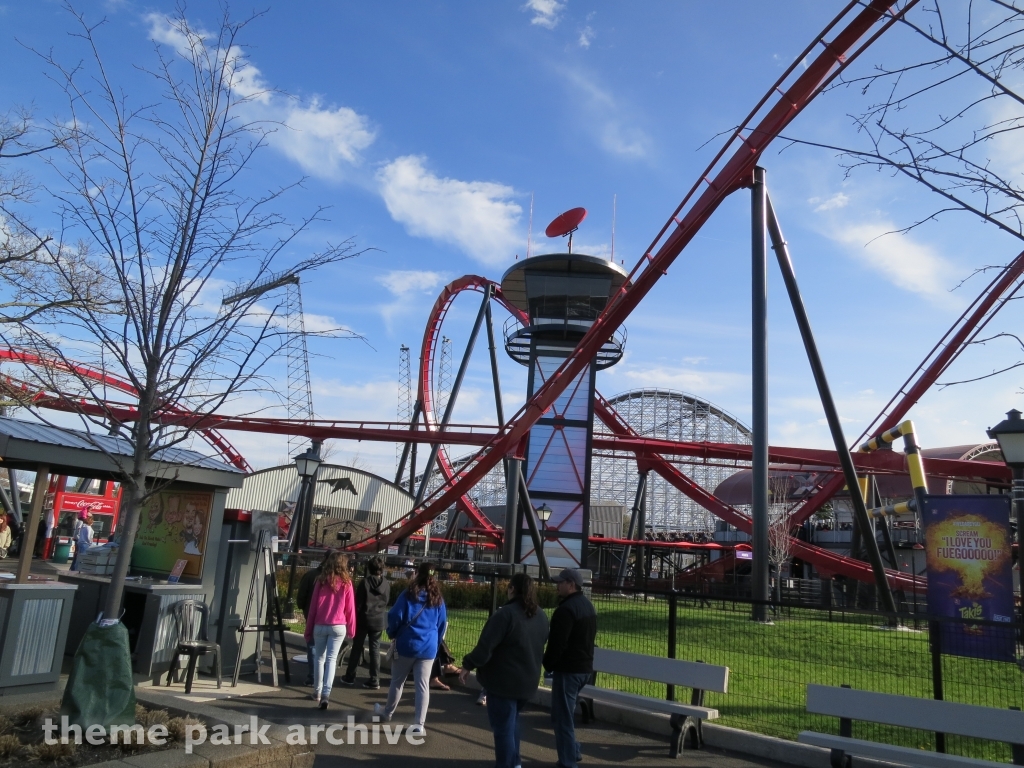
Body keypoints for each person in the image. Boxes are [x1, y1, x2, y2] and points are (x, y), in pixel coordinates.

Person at [459, 573, 549, 768]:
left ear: (512, 589)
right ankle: (515, 762)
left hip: (503, 682)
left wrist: (467, 664)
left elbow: (485, 647)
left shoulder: (505, 615)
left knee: (503, 730)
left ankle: (507, 764)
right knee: (512, 723)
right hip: (528, 680)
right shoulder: (541, 615)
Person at [374, 562, 447, 732]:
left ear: (417, 573)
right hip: (428, 647)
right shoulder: (438, 599)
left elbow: (394, 616)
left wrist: (392, 632)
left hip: (407, 644)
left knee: (397, 682)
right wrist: (435, 644)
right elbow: (441, 624)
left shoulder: (408, 594)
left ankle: (387, 713)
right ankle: (419, 724)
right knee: (422, 685)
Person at [543, 568, 597, 768]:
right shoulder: (588, 606)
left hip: (568, 670)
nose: (557, 585)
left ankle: (568, 762)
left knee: (562, 719)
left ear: (571, 584)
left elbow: (557, 643)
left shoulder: (565, 610)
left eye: (560, 582)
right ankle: (572, 751)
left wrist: (548, 664)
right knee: (565, 714)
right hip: (584, 669)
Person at [304, 550, 356, 710]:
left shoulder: (320, 581)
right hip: (338, 625)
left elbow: (312, 608)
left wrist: (308, 628)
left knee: (319, 658)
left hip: (320, 624)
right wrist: (352, 628)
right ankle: (326, 694)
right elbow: (350, 609)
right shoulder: (347, 583)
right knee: (331, 660)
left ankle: (317, 692)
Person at [340, 556, 390, 689]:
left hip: (363, 619)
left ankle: (350, 676)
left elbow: (358, 604)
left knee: (357, 647)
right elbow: (387, 601)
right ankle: (374, 679)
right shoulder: (386, 584)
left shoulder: (365, 583)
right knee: (375, 649)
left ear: (369, 568)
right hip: (378, 619)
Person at [295, 558, 325, 686]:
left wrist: (304, 608)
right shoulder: (341, 579)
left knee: (313, 648)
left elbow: (301, 596)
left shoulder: (311, 576)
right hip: (334, 621)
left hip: (312, 617)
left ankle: (313, 677)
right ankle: (325, 678)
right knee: (329, 653)